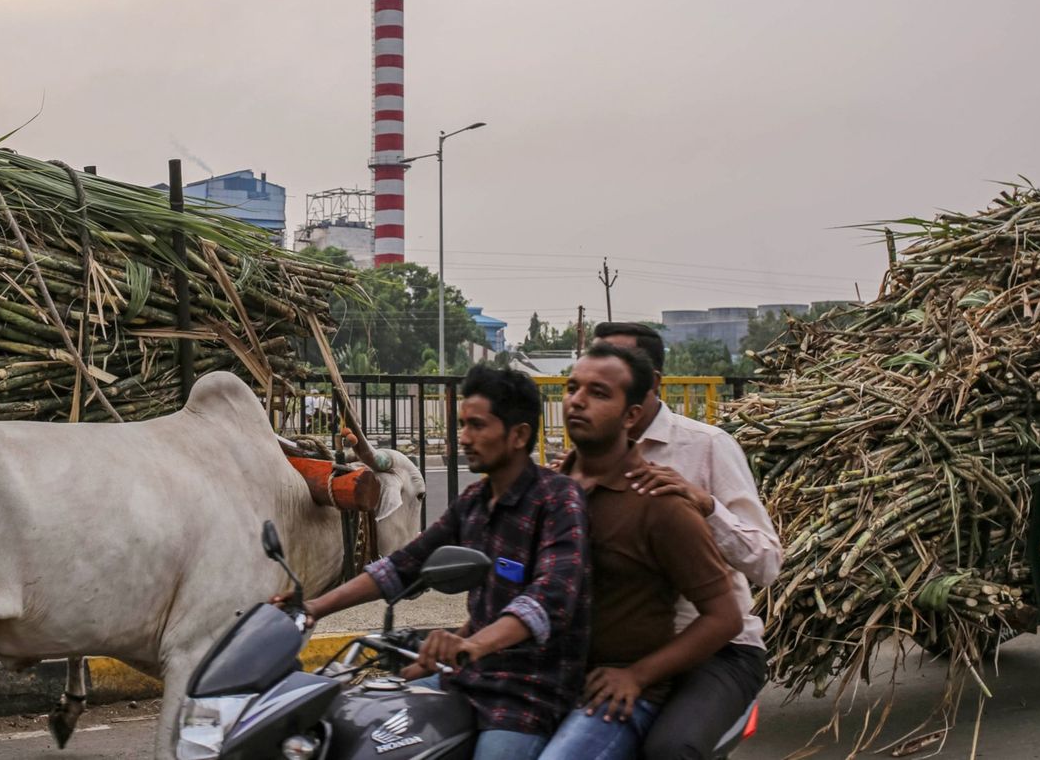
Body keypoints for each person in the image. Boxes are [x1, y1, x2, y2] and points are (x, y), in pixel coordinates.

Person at [294, 365, 589, 760]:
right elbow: (404, 564)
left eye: (477, 426)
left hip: (525, 695)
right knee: (358, 728)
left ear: (518, 435)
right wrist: (312, 607)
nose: (463, 438)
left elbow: (548, 598)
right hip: (466, 678)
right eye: (462, 425)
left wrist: (468, 643)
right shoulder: (473, 502)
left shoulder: (558, 499)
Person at [539, 344, 740, 760]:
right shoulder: (548, 492)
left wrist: (635, 675)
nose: (576, 401)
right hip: (546, 678)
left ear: (632, 415)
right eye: (572, 387)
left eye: (598, 392)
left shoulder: (660, 501)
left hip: (615, 690)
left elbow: (725, 616)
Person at [592, 321, 780, 760]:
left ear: (652, 382)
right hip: (618, 646)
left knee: (671, 750)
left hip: (717, 649)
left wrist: (707, 506)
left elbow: (767, 562)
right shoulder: (587, 457)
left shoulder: (707, 447)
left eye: (614, 372)